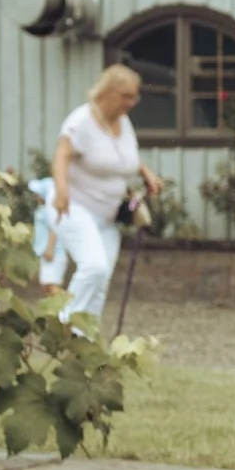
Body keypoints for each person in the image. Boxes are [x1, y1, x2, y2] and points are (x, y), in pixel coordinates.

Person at [49, 64, 166, 321]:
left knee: (101, 282)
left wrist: (145, 172)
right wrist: (61, 190)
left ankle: (86, 339)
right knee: (94, 267)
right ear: (108, 92)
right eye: (127, 96)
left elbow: (122, 157)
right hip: (76, 207)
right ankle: (64, 325)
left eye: (135, 97)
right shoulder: (81, 121)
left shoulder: (123, 122)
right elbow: (61, 154)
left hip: (108, 216)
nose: (132, 102)